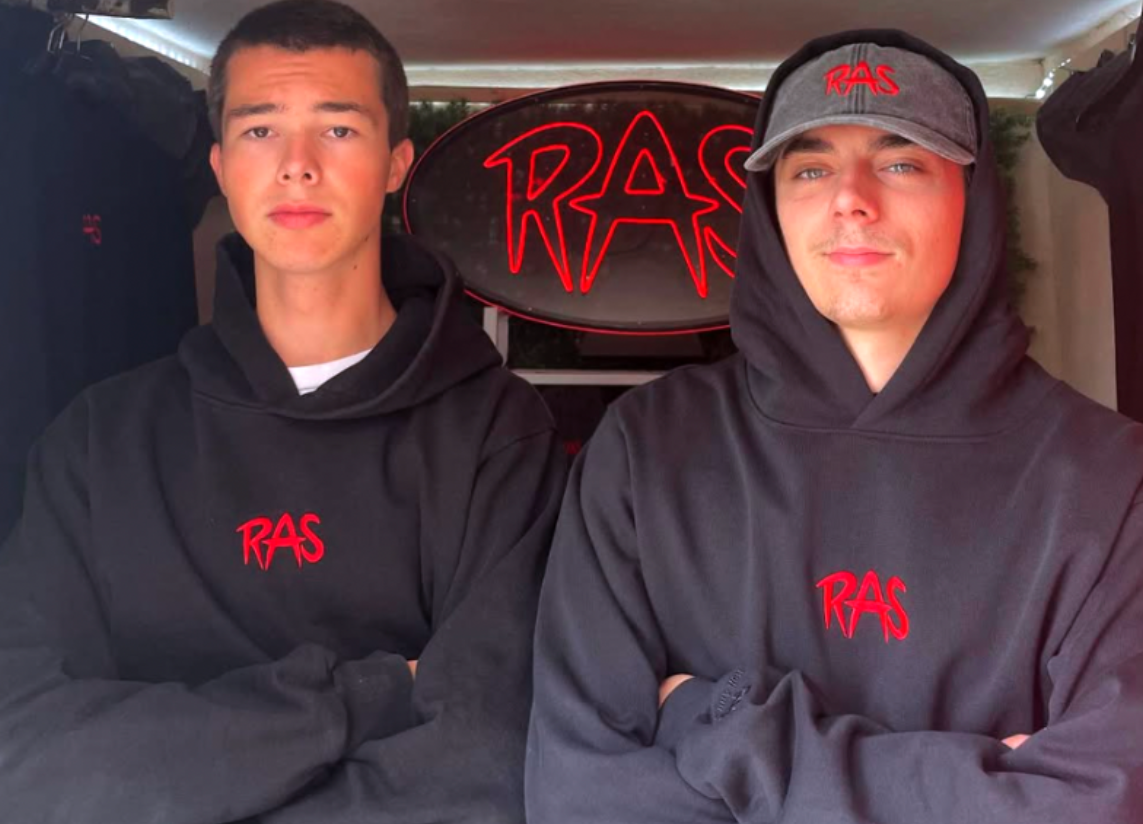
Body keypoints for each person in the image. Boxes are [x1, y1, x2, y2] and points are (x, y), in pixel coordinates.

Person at [527, 29, 1143, 823]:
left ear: (973, 198)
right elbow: (582, 795)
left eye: (901, 162)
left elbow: (1102, 803)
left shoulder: (1107, 480)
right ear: (770, 209)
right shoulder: (647, 451)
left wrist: (715, 727)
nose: (850, 198)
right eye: (809, 168)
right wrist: (985, 783)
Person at [0, 1, 565, 822]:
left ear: (395, 163)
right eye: (261, 130)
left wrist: (173, 757)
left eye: (338, 129)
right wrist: (367, 695)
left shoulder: (496, 434)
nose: (298, 166)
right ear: (222, 164)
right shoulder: (99, 440)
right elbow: (19, 747)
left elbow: (487, 760)